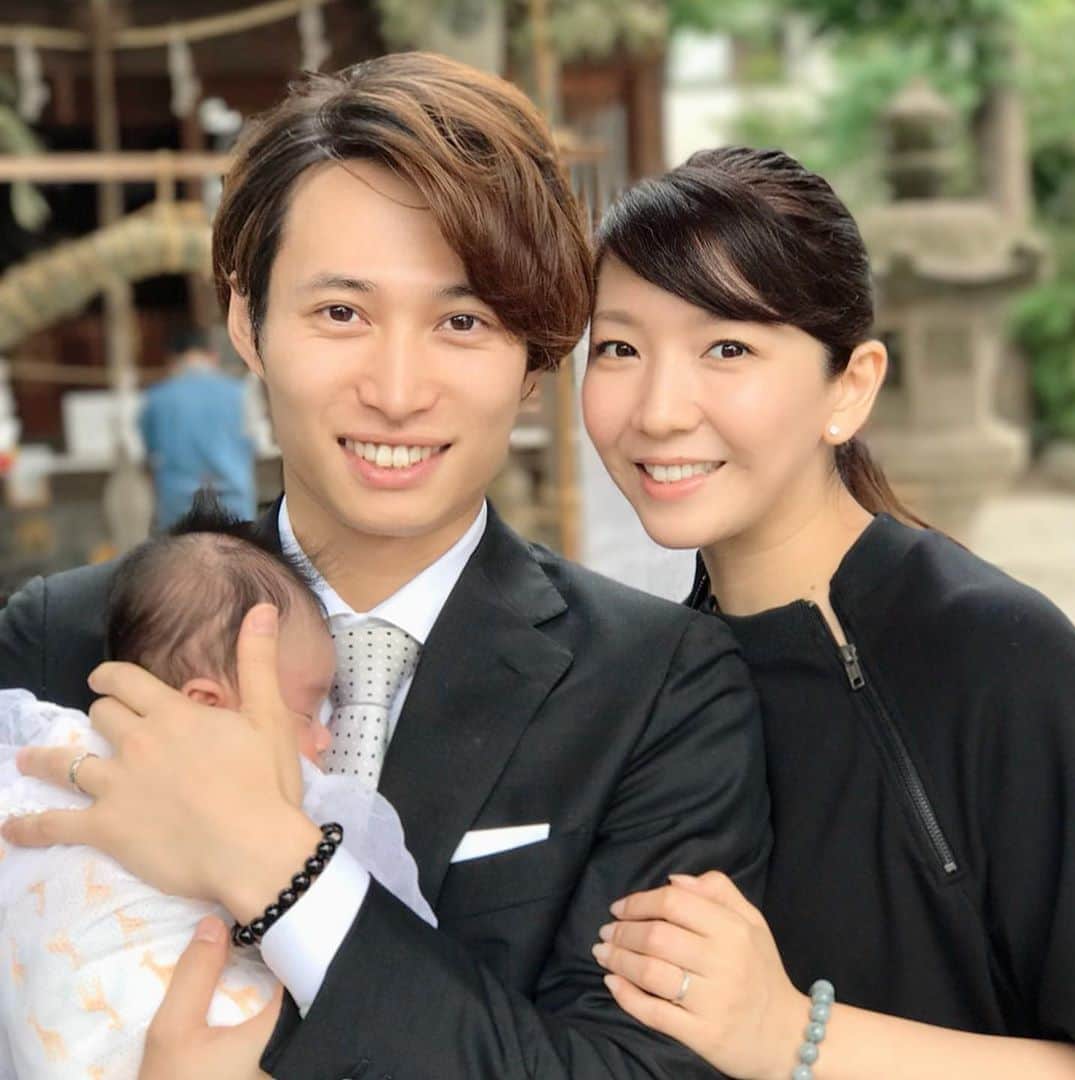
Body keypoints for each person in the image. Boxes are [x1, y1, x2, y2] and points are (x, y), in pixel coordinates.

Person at [0, 55, 770, 1079]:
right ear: (246, 321)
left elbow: (637, 1069)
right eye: (341, 313)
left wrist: (276, 866)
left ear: (536, 361)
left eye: (463, 322)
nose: (398, 392)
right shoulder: (64, 637)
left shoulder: (662, 688)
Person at [580, 146, 1075, 1078]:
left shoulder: (994, 654)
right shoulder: (639, 679)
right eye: (619, 347)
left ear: (850, 387)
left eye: (727, 348)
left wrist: (789, 1036)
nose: (658, 410)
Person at [0, 500, 434, 1079]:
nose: (326, 737)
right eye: (308, 712)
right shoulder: (293, 794)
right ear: (208, 704)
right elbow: (394, 966)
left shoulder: (45, 751)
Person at [139, 326, 257, 529]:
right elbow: (252, 445)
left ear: (172, 359)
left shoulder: (157, 398)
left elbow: (149, 456)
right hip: (234, 502)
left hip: (179, 507)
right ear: (212, 355)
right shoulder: (239, 393)